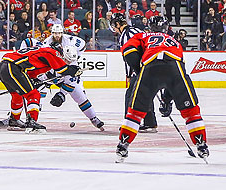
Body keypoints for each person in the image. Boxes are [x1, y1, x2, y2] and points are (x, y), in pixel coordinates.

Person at [116, 15, 207, 162]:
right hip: (174, 65)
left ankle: (122, 145)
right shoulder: (175, 41)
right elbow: (177, 75)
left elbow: (128, 51)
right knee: (191, 110)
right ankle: (201, 144)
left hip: (150, 66)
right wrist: (166, 100)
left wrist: (140, 71)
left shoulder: (142, 35)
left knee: (135, 112)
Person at [0, 43, 78, 132]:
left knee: (17, 95)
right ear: (62, 54)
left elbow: (32, 71)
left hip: (4, 67)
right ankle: (32, 122)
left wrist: (32, 80)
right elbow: (62, 69)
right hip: (13, 67)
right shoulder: (52, 52)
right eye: (67, 60)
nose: (68, 63)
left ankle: (14, 120)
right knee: (33, 95)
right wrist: (74, 70)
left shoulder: (43, 53)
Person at [38, 24, 106, 131]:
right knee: (36, 92)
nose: (69, 62)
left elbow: (70, 83)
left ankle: (93, 118)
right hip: (50, 73)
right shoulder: (46, 46)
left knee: (81, 98)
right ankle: (29, 117)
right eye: (67, 60)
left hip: (63, 77)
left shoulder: (72, 61)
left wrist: (61, 94)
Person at [109, 13, 157, 132]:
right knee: (146, 93)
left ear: (118, 24)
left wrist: (129, 75)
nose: (114, 29)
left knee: (131, 94)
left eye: (114, 27)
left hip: (140, 68)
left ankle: (129, 124)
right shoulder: (137, 29)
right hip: (152, 64)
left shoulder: (125, 36)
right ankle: (150, 123)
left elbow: (129, 58)